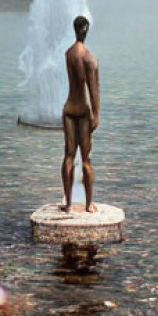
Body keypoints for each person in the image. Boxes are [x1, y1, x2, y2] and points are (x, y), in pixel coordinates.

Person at [62, 15, 100, 213]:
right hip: (83, 111)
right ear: (85, 30)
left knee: (68, 156)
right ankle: (88, 204)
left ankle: (68, 204)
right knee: (85, 159)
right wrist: (96, 115)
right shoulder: (89, 58)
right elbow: (93, 91)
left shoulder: (68, 53)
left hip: (69, 109)